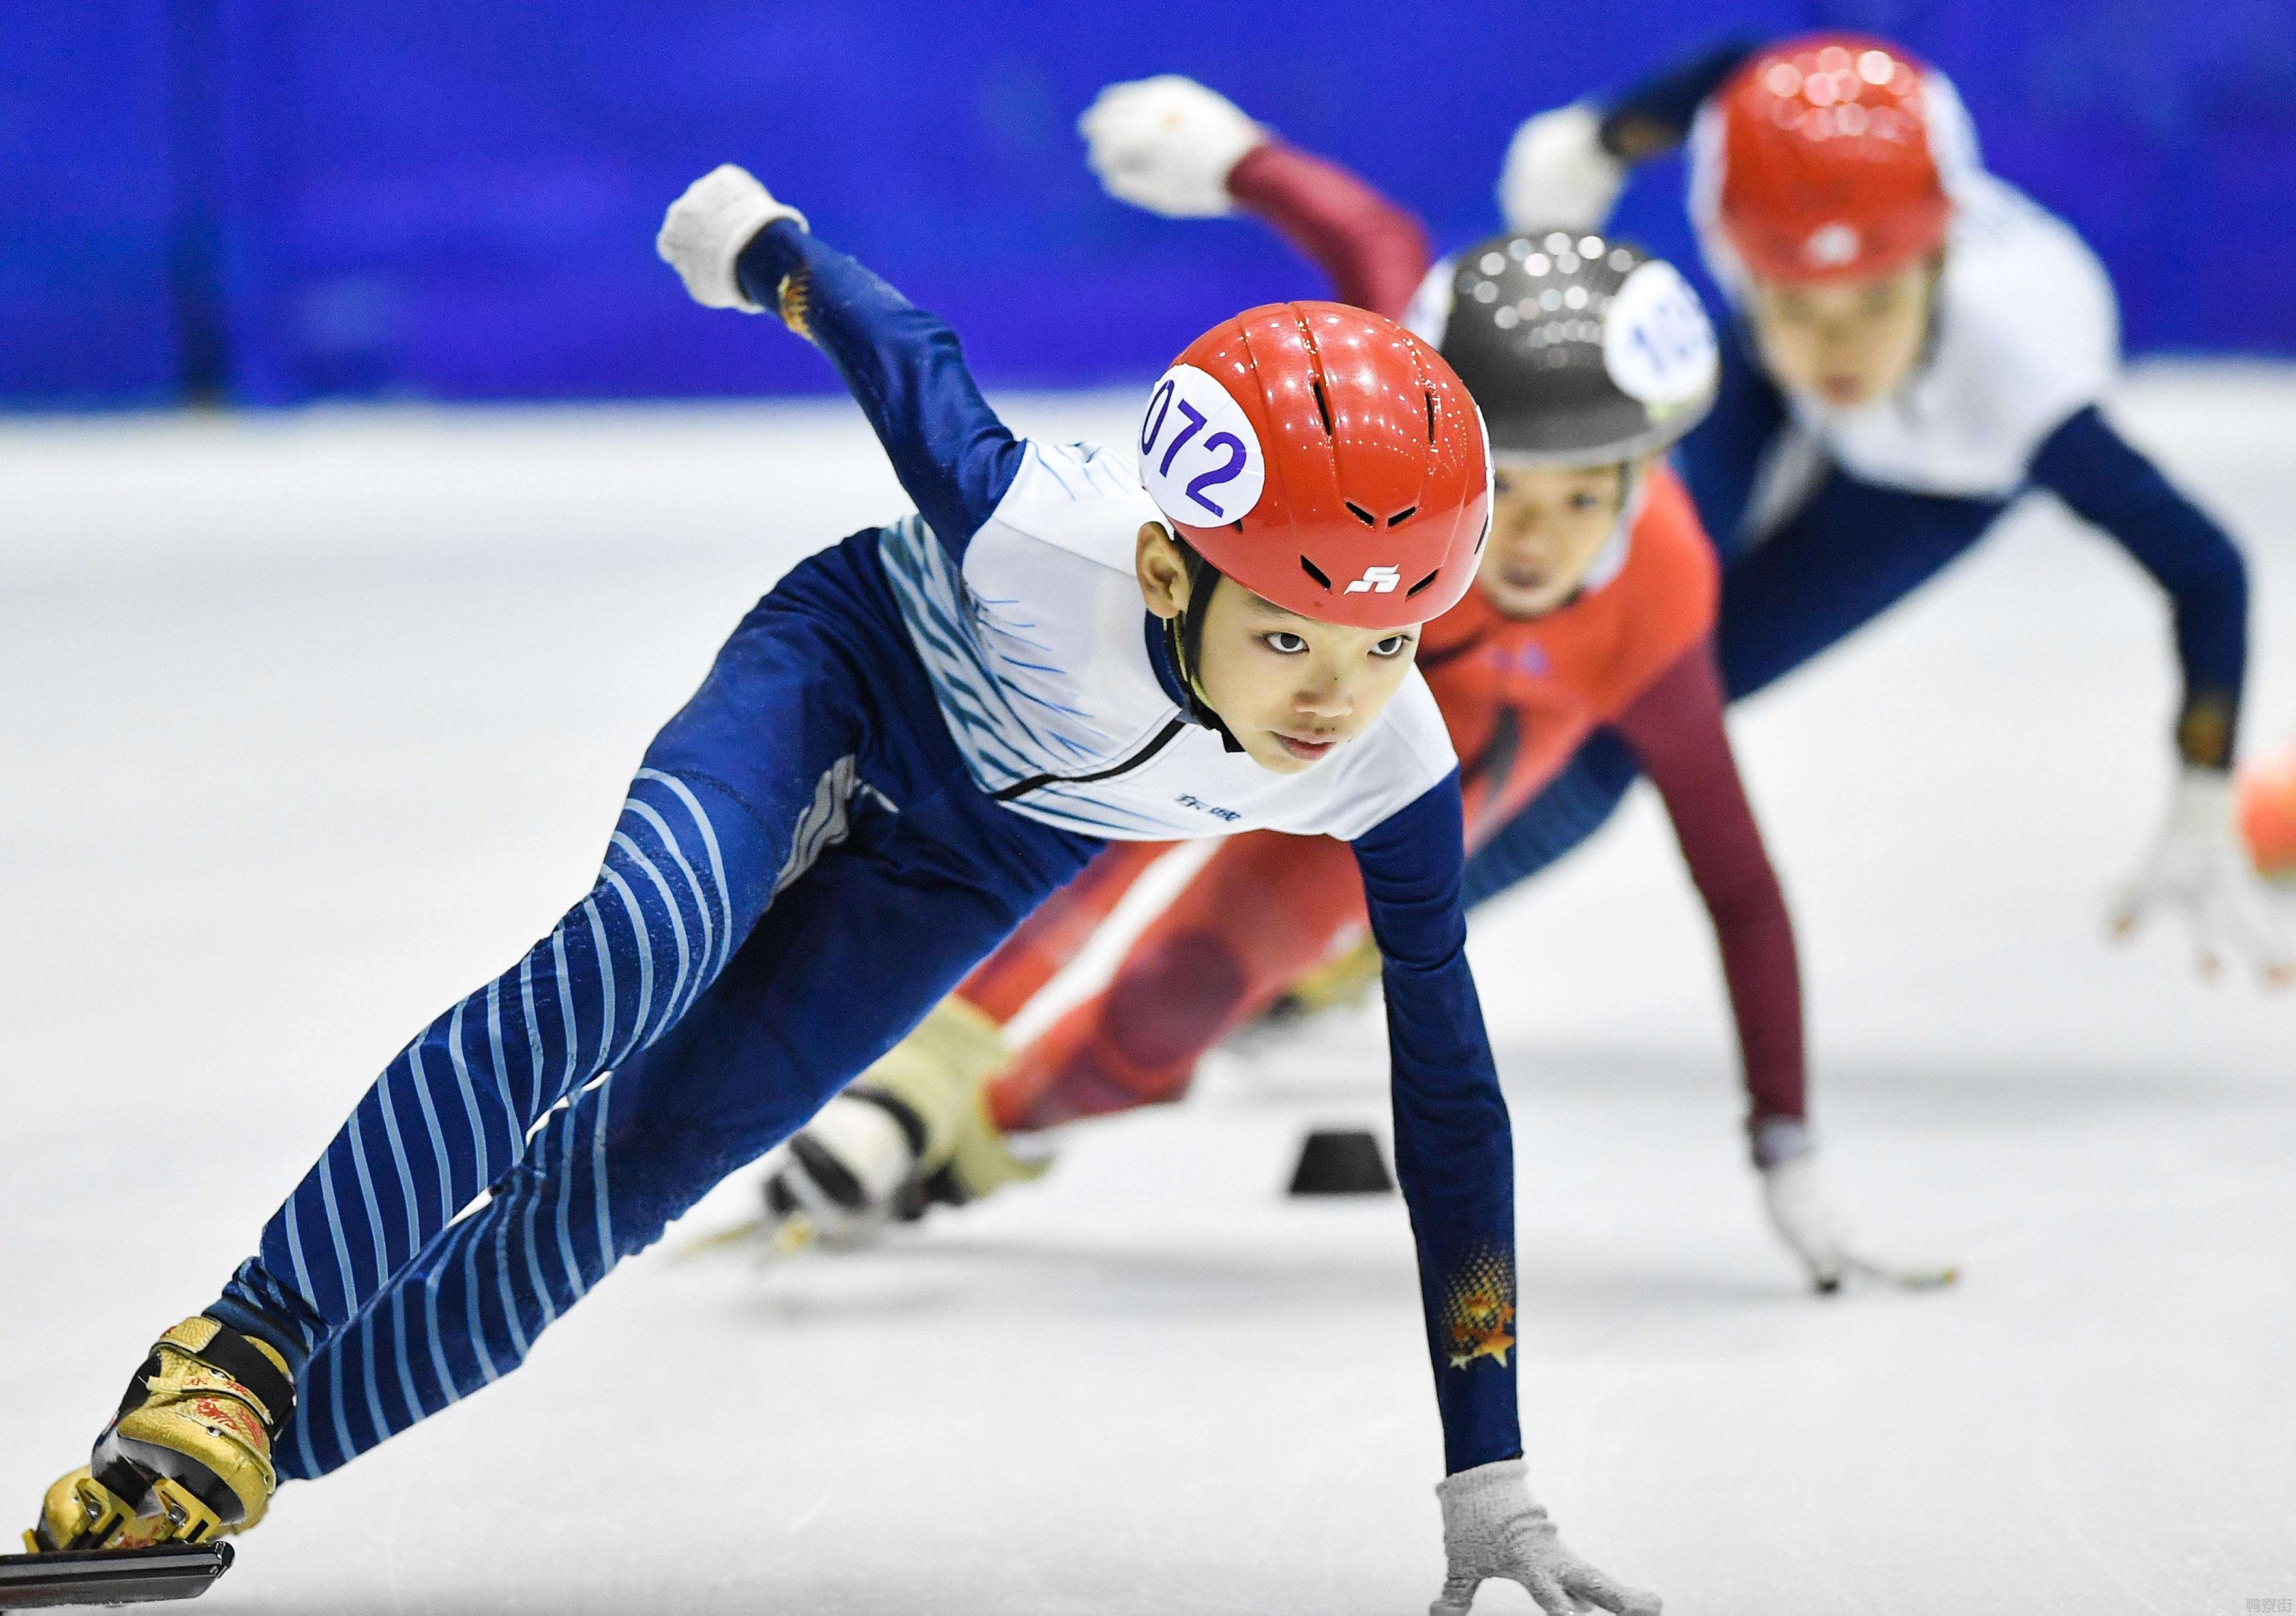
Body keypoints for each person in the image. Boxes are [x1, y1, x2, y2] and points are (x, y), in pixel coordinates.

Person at [16, 165, 1660, 1616]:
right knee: (641, 948)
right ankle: (239, 1343)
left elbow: (1448, 1097)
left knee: (637, 1178)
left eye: (1384, 641)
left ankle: (211, 1467)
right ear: (1167, 568)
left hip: (986, 843)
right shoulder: (1047, 534)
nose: (1330, 696)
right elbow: (901, 356)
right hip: (850, 675)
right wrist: (760, 244)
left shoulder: (1388, 761)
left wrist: (1487, 1473)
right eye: (1287, 635)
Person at [760, 76, 1943, 1297]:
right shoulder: (1401, 430)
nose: (1531, 544)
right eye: (1503, 494)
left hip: (1463, 742)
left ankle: (975, 1141)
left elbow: (1737, 883)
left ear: (1644, 483)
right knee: (1110, 813)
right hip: (1298, 669)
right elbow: (1374, 247)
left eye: (1582, 499)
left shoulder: (1659, 599)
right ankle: (905, 1081)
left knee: (1185, 998)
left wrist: (1785, 1146)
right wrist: (1237, 159)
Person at [1473, 33, 2289, 984]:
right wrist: (1604, 137)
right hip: (1761, 376)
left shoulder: (2020, 388)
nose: (1840, 352)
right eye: (1801, 306)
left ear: (1936, 266)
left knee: (1650, 699)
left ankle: (1373, 942)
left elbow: (2206, 567)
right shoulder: (1770, 182)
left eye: (1873, 305)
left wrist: (2202, 787)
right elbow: (1759, 67)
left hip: (1931, 478)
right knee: (1582, 590)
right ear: (1741, 263)